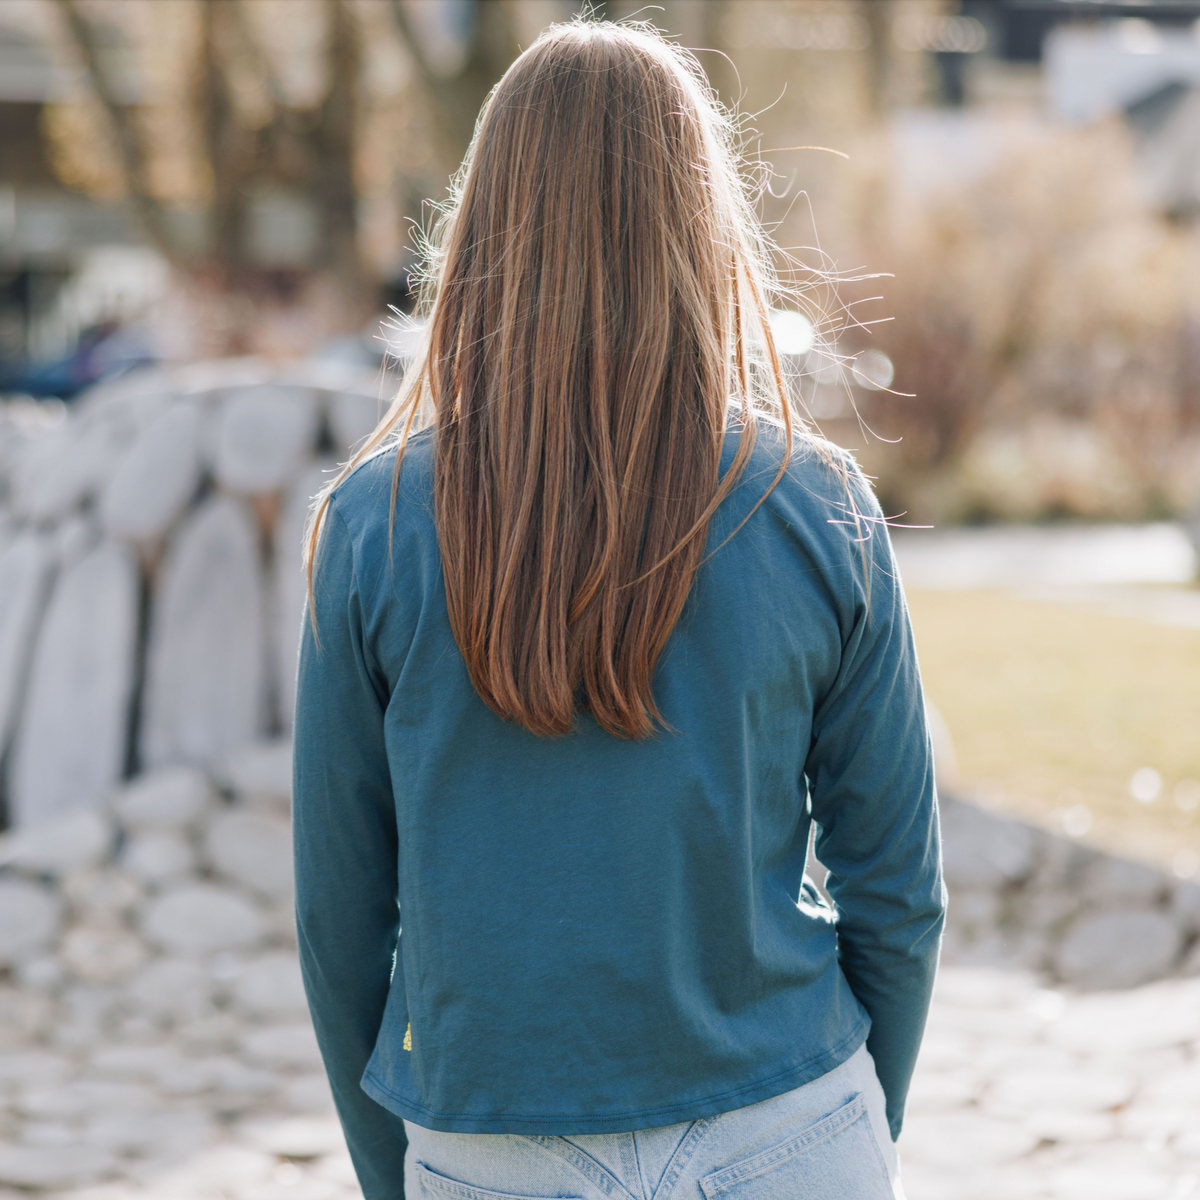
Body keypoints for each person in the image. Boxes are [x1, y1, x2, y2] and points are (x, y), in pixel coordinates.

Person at [294, 20, 944, 1200]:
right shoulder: (816, 504)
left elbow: (339, 923)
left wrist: (393, 1170)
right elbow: (899, 892)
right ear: (702, 218)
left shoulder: (373, 524)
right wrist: (860, 1116)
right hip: (789, 1118)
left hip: (491, 1136)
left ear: (488, 220)